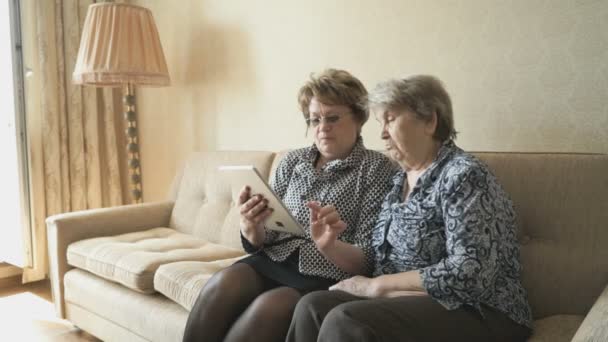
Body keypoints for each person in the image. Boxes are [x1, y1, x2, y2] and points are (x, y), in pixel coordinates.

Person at [287, 75, 533, 342]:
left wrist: (377, 287)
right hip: (407, 300)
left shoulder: (463, 175)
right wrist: (331, 245)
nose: (381, 133)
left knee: (344, 320)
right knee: (311, 307)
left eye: (390, 119)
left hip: (479, 310)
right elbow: (379, 262)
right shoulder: (397, 181)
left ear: (430, 121)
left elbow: (469, 271)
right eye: (380, 123)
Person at [182, 69, 397, 342]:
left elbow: (369, 259)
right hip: (273, 257)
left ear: (358, 118)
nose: (322, 127)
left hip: (325, 272)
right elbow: (266, 236)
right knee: (222, 284)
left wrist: (329, 245)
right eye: (315, 119)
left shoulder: (376, 169)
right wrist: (251, 226)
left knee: (270, 307)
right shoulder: (292, 162)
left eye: (332, 118)